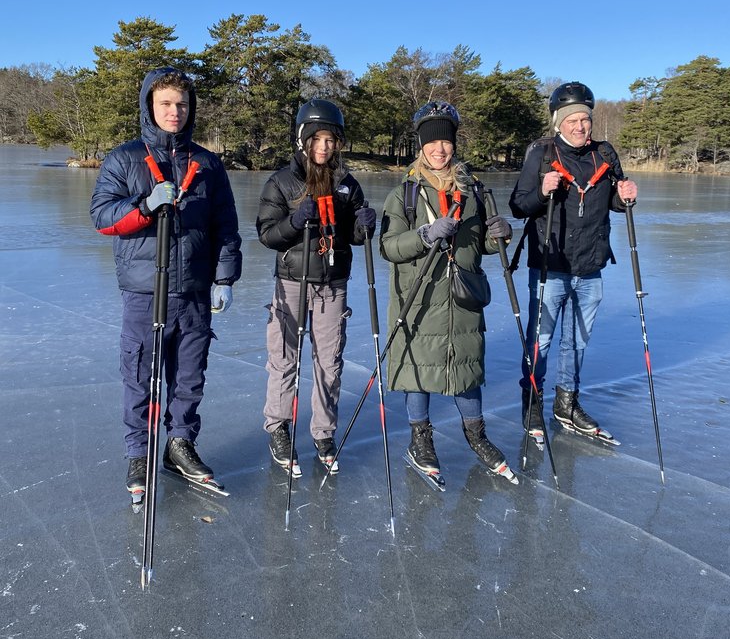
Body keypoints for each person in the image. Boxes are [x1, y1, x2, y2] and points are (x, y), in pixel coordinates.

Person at [90, 67, 242, 495]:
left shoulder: (206, 163)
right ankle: (139, 454)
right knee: (140, 375)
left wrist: (224, 278)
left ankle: (179, 446)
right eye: (166, 104)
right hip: (144, 289)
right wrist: (144, 205)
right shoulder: (124, 158)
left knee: (190, 375)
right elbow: (102, 217)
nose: (175, 112)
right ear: (149, 106)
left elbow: (225, 226)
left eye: (182, 104)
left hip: (194, 289)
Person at [379, 101, 516, 483]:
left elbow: (480, 246)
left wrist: (500, 236)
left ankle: (477, 436)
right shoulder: (402, 195)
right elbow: (388, 247)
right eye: (432, 143)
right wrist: (424, 234)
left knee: (466, 369)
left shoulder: (472, 191)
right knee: (418, 370)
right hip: (419, 295)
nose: (440, 150)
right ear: (420, 145)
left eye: (447, 142)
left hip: (463, 295)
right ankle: (420, 440)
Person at [509, 82, 637, 441]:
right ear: (558, 122)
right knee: (542, 341)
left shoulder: (605, 153)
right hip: (550, 265)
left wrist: (625, 196)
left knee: (577, 342)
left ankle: (566, 403)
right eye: (572, 120)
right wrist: (542, 191)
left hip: (591, 267)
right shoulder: (541, 152)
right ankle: (532, 403)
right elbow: (519, 206)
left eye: (585, 119)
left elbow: (612, 199)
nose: (580, 126)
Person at [256, 98, 375, 474]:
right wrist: (295, 222)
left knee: (329, 362)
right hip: (291, 281)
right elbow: (267, 234)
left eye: (330, 140)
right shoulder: (281, 181)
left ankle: (323, 433)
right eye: (316, 139)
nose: (323, 147)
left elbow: (354, 235)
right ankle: (278, 426)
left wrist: (366, 225)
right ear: (303, 140)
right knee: (284, 359)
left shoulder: (346, 184)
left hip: (332, 283)